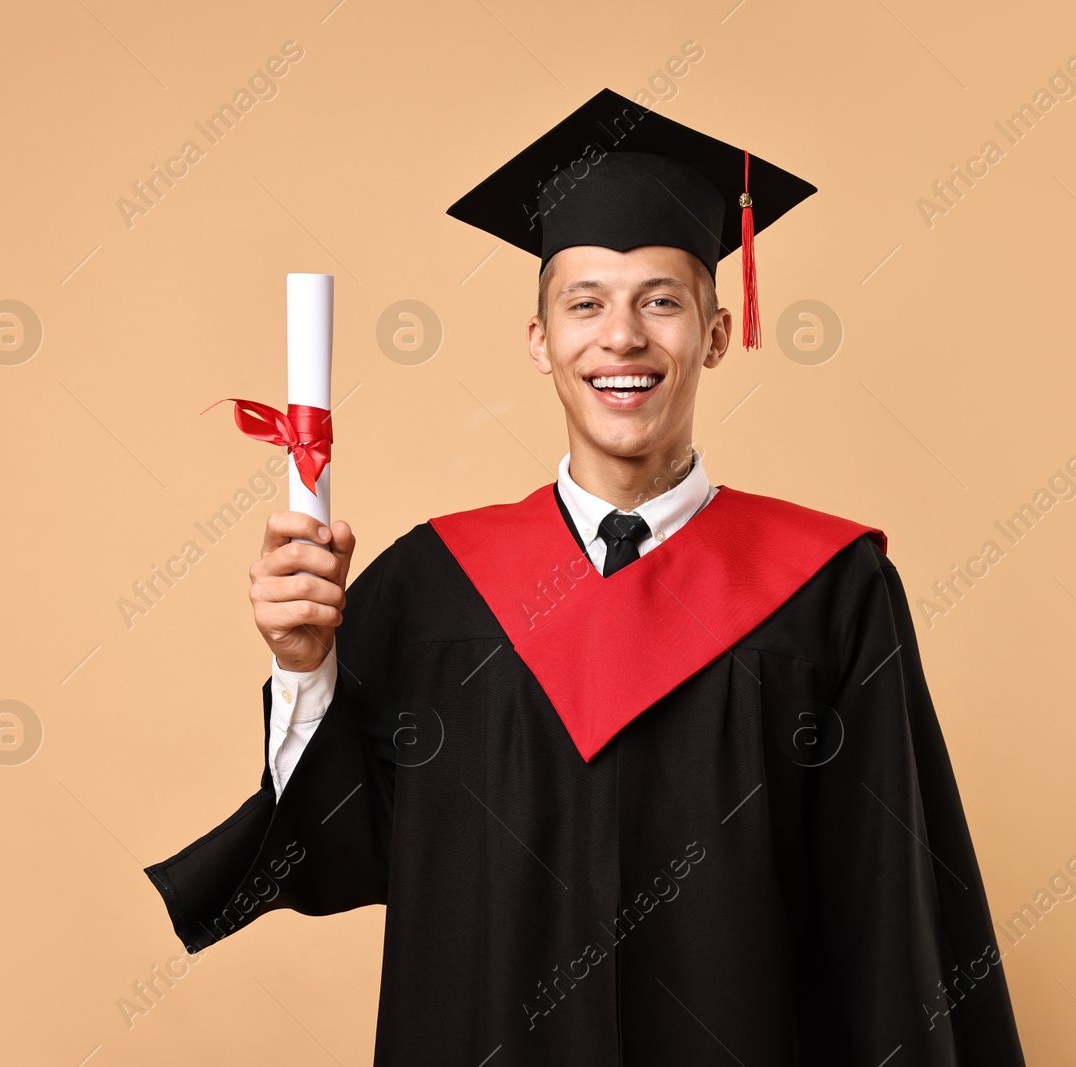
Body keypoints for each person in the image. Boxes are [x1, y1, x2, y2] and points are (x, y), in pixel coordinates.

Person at [145, 87, 1026, 1065]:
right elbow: (339, 835)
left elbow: (887, 907)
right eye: (585, 303)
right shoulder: (439, 586)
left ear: (717, 331)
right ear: (540, 342)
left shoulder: (829, 592)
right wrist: (305, 664)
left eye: (661, 300)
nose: (622, 337)